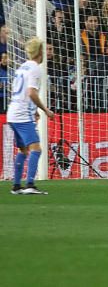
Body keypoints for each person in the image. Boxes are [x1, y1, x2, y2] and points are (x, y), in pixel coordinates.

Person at [7, 38, 54, 195]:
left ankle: (16, 186)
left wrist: (33, 110)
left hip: (12, 113)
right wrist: (45, 110)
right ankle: (30, 185)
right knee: (36, 149)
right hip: (22, 115)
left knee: (23, 149)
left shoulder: (22, 67)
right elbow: (31, 92)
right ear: (40, 52)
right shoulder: (35, 68)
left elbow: (21, 92)